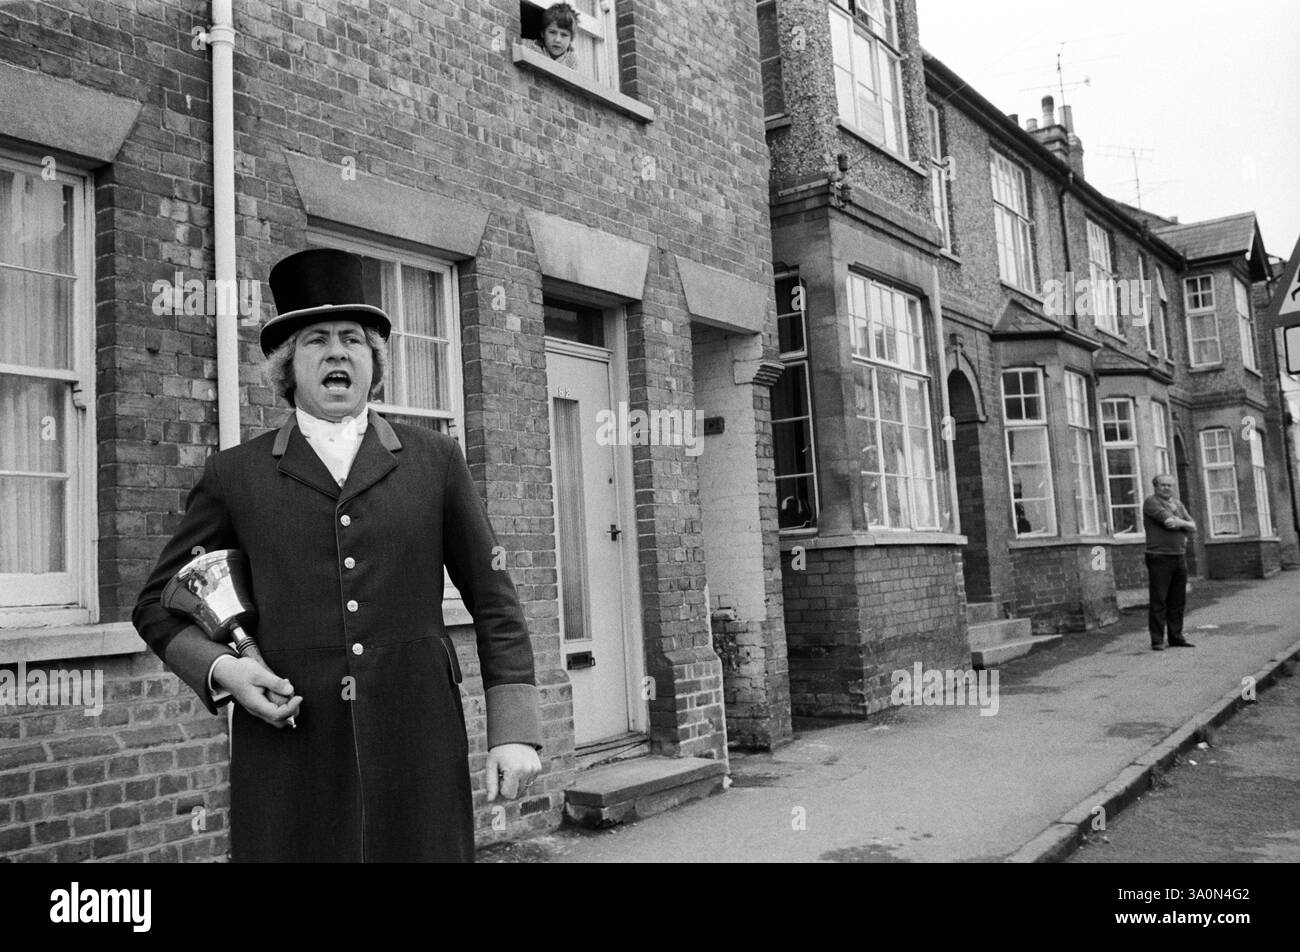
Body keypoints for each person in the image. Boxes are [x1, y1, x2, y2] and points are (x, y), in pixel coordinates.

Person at [133, 248, 542, 862]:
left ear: (372, 365)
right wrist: (226, 674)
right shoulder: (235, 475)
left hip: (418, 740)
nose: (336, 352)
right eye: (315, 340)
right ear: (288, 368)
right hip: (289, 747)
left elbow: (495, 601)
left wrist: (514, 733)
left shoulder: (435, 461)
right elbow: (155, 606)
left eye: (353, 339)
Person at [1142, 473, 1197, 651]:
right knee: (1159, 599)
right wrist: (1184, 523)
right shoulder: (1152, 502)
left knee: (1177, 600)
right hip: (1159, 556)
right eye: (1163, 485)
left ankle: (1176, 637)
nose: (1167, 488)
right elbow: (1168, 522)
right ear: (1156, 487)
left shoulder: (1178, 503)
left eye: (1170, 485)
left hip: (1179, 555)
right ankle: (1157, 640)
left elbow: (1193, 525)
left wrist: (1181, 522)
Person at [533, 2, 578, 67]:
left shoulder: (572, 62)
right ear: (543, 33)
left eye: (564, 35)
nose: (557, 40)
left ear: (571, 38)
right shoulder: (531, 49)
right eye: (552, 32)